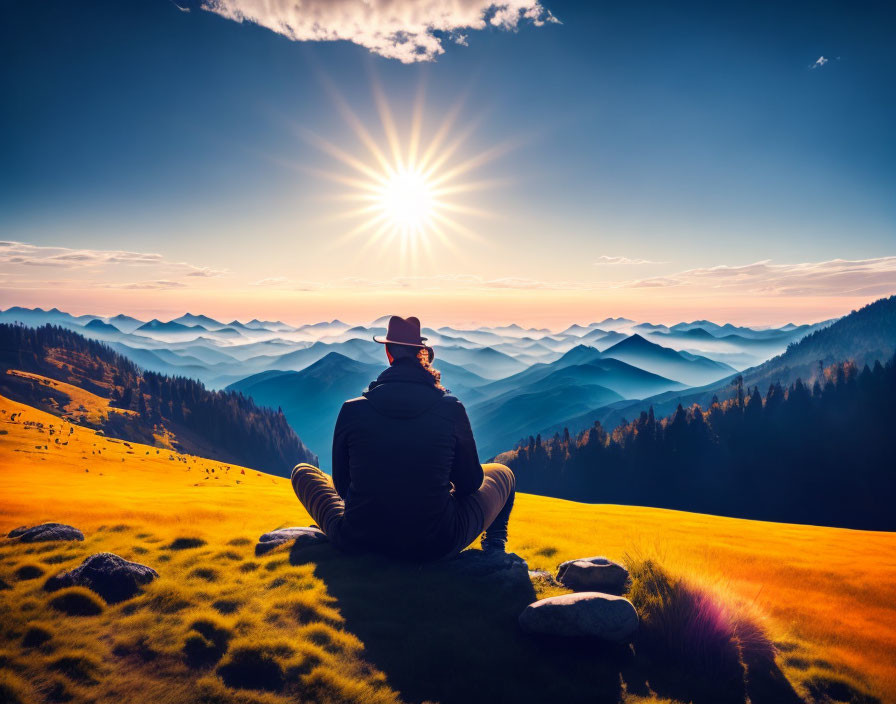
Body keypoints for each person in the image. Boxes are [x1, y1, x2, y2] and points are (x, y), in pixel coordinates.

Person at [290, 315, 515, 561]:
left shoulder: (351, 409)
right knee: (503, 474)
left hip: (358, 539)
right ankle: (494, 548)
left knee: (303, 472)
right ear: (422, 352)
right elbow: (470, 483)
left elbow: (343, 489)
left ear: (388, 353)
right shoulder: (451, 409)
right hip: (436, 542)